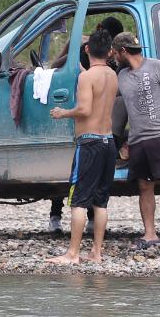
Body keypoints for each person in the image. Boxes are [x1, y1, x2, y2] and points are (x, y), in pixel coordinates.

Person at [46, 26, 120, 265]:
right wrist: (82, 71)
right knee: (100, 202)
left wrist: (62, 113)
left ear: (86, 49)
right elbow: (97, 95)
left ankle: (73, 253)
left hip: (89, 144)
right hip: (108, 142)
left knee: (78, 201)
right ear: (110, 52)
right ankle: (96, 252)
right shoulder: (112, 75)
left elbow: (86, 109)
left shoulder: (87, 77)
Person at [110, 31, 160, 249]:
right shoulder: (121, 76)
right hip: (138, 139)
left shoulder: (156, 66)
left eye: (115, 52)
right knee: (145, 186)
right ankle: (150, 234)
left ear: (123, 51)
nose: (114, 57)